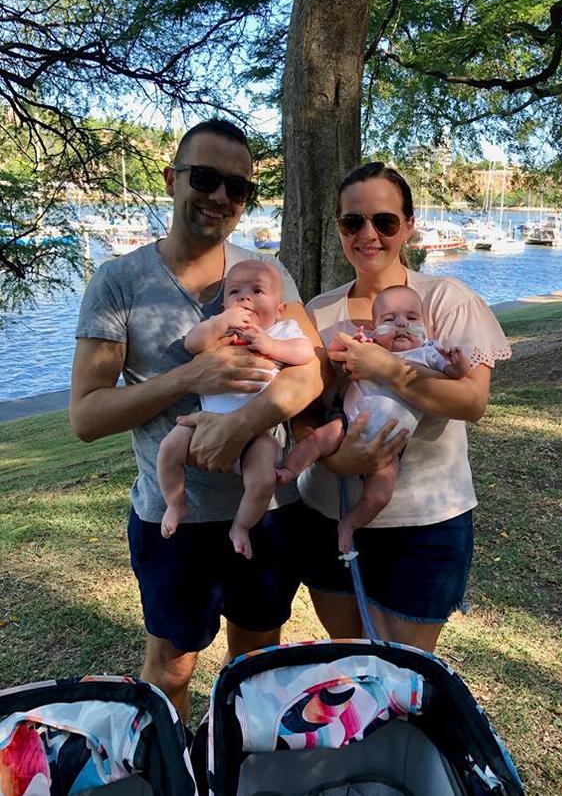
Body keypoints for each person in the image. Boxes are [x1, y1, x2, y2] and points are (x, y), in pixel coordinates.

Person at [70, 118, 322, 720]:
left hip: (263, 516)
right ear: (172, 179)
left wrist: (242, 424)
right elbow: (85, 414)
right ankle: (174, 763)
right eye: (205, 178)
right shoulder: (118, 282)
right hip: (173, 519)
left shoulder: (268, 273)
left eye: (238, 188)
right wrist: (189, 378)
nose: (220, 197)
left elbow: (310, 372)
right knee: (171, 668)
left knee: (256, 661)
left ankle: (234, 761)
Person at [287, 161, 511, 651]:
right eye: (353, 222)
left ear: (408, 226)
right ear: (340, 229)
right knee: (350, 658)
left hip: (424, 523)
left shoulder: (446, 299)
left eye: (384, 222)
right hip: (326, 513)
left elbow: (472, 401)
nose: (368, 234)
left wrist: (387, 368)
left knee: (406, 671)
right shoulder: (319, 310)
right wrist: (330, 454)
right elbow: (300, 407)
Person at [277, 284, 470, 554]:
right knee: (319, 439)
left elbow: (456, 378)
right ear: (375, 326)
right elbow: (333, 356)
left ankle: (351, 523)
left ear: (425, 326)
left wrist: (458, 365)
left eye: (412, 318)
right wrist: (348, 343)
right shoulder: (369, 346)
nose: (401, 324)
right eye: (389, 320)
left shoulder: (428, 353)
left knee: (380, 494)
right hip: (349, 422)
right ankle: (288, 470)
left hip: (391, 446)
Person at [158, 259, 314, 555]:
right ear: (223, 306)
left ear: (280, 309)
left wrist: (270, 346)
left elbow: (305, 352)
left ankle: (241, 526)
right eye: (235, 292)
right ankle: (175, 504)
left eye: (257, 291)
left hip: (256, 433)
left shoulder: (282, 330)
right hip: (202, 421)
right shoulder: (218, 330)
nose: (245, 298)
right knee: (168, 449)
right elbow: (192, 343)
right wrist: (218, 324)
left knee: (263, 479)